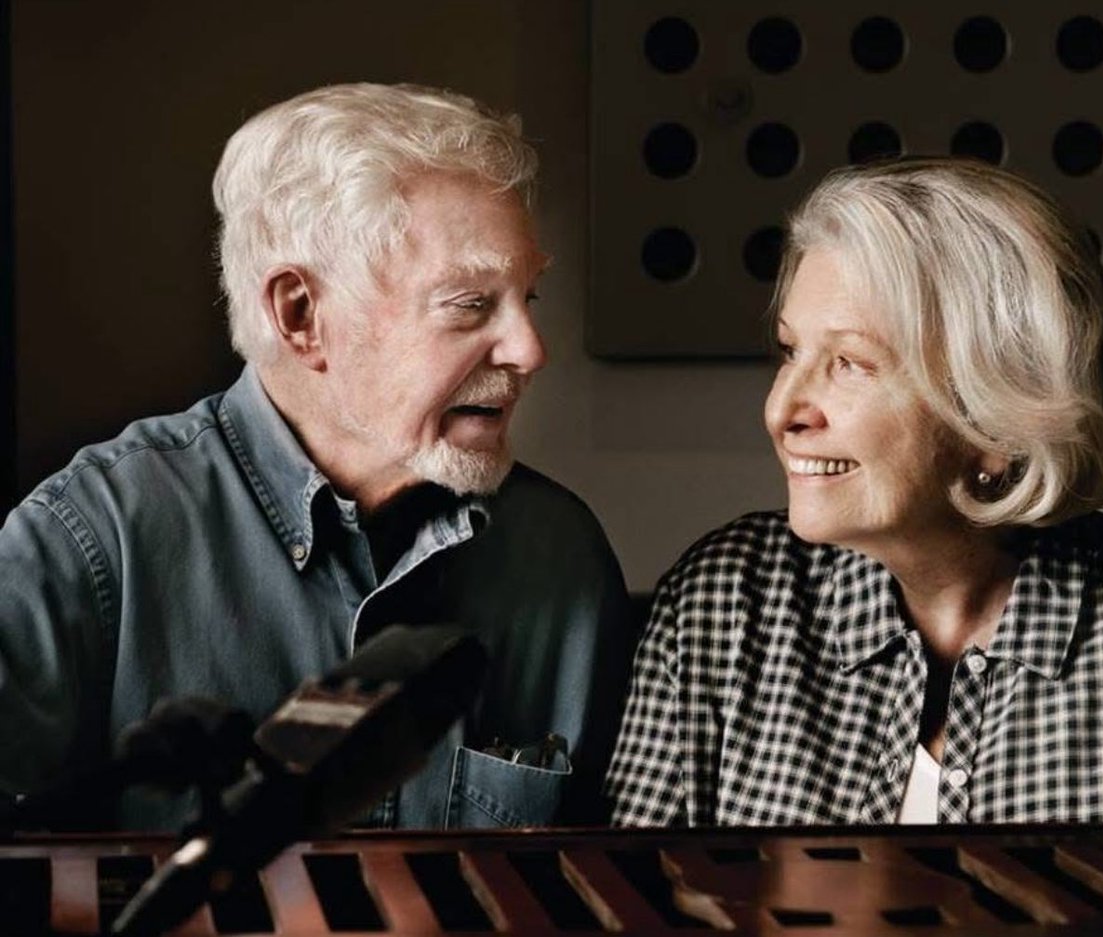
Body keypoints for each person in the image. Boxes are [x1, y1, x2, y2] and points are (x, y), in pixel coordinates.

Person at [0, 82, 632, 831]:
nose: (531, 350)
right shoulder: (84, 546)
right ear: (300, 315)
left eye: (528, 299)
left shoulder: (561, 556)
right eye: (470, 304)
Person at [606, 157, 1103, 826]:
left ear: (997, 414)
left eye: (850, 364)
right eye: (788, 351)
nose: (783, 410)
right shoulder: (723, 602)